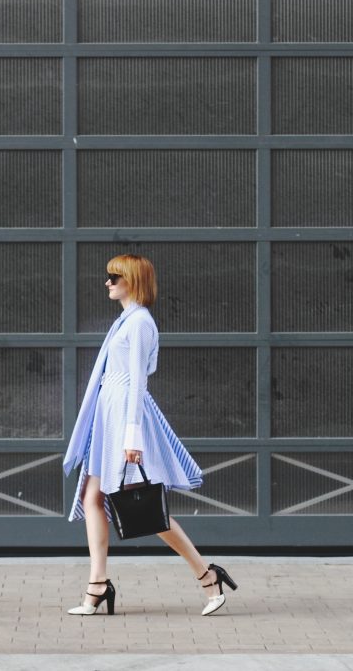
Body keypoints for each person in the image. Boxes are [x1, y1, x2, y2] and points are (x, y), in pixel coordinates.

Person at [62, 253, 238, 616]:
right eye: (108, 275)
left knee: (143, 508)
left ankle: (207, 575)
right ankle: (98, 583)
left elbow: (138, 381)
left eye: (115, 276)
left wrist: (132, 437)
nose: (107, 282)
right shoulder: (125, 322)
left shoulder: (140, 323)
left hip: (125, 420)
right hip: (109, 419)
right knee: (93, 497)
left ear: (132, 279)